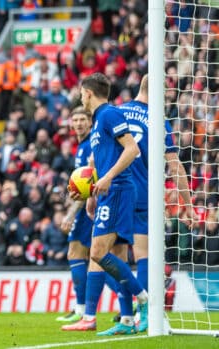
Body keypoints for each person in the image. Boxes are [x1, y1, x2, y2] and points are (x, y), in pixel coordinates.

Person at [62, 73, 148, 335]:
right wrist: (91, 195)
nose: (79, 97)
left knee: (97, 253)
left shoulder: (109, 114)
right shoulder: (99, 120)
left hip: (120, 189)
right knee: (112, 254)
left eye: (80, 93)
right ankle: (125, 319)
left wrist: (108, 178)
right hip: (109, 193)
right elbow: (102, 162)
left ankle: (144, 301)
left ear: (88, 93)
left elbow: (132, 149)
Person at [116, 74, 194, 332]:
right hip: (142, 194)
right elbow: (175, 166)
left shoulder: (116, 113)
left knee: (109, 255)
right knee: (144, 256)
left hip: (115, 193)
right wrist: (188, 204)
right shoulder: (159, 121)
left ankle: (126, 316)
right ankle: (147, 313)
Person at [57, 107, 93, 323]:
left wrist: (70, 214)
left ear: (90, 122)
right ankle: (131, 300)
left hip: (89, 207)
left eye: (83, 119)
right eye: (75, 119)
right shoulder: (81, 147)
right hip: (88, 205)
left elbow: (87, 186)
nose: (79, 123)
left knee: (77, 254)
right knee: (97, 258)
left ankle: (81, 308)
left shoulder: (89, 147)